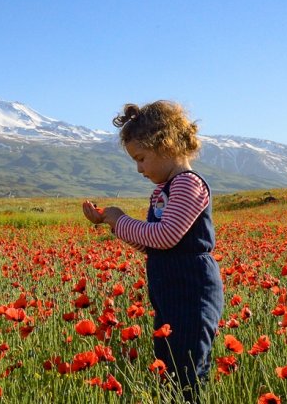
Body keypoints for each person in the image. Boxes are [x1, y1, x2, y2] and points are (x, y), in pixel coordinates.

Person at [81, 100, 224, 403]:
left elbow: (166, 236)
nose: (139, 169)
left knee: (187, 373)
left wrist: (121, 220)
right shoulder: (163, 189)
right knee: (170, 370)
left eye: (142, 158)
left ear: (166, 145)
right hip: (170, 293)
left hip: (192, 292)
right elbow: (151, 244)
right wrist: (111, 222)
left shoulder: (188, 184)